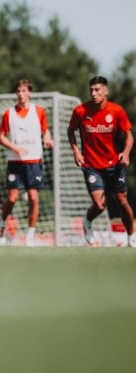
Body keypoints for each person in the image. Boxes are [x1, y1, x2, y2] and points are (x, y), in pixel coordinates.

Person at [67, 76, 135, 247]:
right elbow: (70, 131)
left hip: (114, 164)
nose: (93, 93)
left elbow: (129, 135)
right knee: (99, 205)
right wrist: (76, 151)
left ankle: (132, 236)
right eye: (91, 90)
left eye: (97, 90)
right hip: (91, 166)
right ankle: (87, 221)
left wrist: (126, 153)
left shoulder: (116, 111)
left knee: (122, 200)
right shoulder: (80, 111)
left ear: (106, 91)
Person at [0, 79, 53, 246]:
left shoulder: (39, 111)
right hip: (15, 162)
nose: (21, 94)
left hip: (34, 161)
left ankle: (30, 235)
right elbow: (1, 137)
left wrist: (48, 140)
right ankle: (1, 226)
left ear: (29, 93)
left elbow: (45, 130)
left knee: (33, 198)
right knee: (13, 198)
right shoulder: (9, 113)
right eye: (18, 91)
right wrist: (15, 147)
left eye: (24, 91)